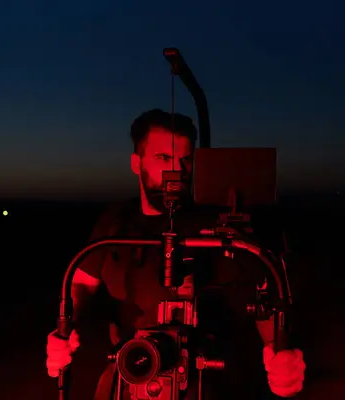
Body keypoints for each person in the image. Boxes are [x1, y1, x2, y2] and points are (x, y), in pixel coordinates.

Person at [46, 109, 305, 399]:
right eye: (163, 159)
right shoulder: (115, 222)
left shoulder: (218, 225)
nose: (176, 170)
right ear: (136, 163)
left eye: (184, 160)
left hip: (207, 378)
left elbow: (265, 297)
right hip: (131, 371)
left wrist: (281, 353)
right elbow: (80, 282)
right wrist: (64, 332)